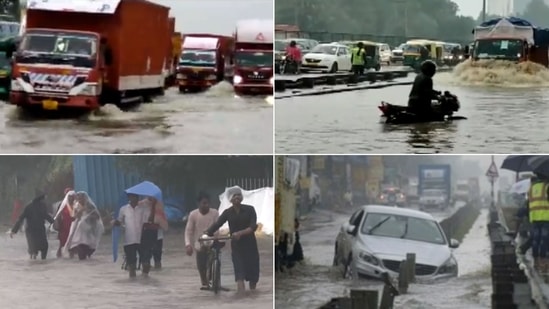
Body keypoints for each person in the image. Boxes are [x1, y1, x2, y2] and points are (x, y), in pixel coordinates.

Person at [205, 187, 260, 295]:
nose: (237, 197)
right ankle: (241, 298)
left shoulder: (250, 209)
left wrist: (240, 233)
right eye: (234, 195)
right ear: (230, 199)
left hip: (250, 246)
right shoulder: (227, 212)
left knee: (253, 275)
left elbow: (253, 227)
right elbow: (217, 224)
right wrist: (207, 233)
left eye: (238, 195)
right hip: (237, 247)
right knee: (239, 274)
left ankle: (253, 298)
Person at [185, 192, 220, 290]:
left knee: (216, 256)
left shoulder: (215, 213)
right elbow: (188, 231)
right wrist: (188, 245)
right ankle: (204, 281)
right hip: (199, 242)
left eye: (208, 203)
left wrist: (216, 236)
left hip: (213, 240)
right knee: (201, 266)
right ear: (199, 203)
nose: (206, 205)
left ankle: (215, 277)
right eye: (204, 203)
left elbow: (218, 227)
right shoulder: (193, 214)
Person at [113, 193, 151, 278]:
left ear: (138, 197)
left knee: (146, 263)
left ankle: (145, 279)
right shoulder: (123, 209)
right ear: (129, 198)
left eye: (136, 196)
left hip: (142, 239)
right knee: (131, 265)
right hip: (129, 240)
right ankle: (133, 281)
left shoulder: (144, 208)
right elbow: (119, 221)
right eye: (132, 196)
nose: (134, 198)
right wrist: (114, 222)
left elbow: (148, 221)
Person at [9, 190, 54, 260]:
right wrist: (14, 230)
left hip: (40, 230)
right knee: (33, 250)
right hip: (31, 232)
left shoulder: (42, 206)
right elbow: (21, 218)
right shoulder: (29, 207)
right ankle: (34, 263)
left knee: (44, 247)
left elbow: (46, 216)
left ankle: (43, 264)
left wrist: (54, 223)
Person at [66, 191, 104, 260]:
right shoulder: (77, 206)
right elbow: (74, 217)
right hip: (79, 231)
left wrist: (88, 217)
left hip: (88, 230)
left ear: (85, 198)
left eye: (81, 198)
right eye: (78, 199)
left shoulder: (90, 206)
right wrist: (80, 212)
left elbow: (97, 216)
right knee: (80, 251)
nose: (80, 200)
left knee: (88, 248)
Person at [528, 174, 549, 272]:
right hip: (545, 217)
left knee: (535, 239)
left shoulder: (532, 188)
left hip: (534, 217)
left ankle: (536, 260)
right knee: (544, 240)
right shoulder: (547, 186)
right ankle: (543, 260)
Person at [143, 196, 168, 270]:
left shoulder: (159, 204)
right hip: (147, 235)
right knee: (146, 258)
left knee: (157, 257)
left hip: (158, 235)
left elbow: (162, 218)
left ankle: (158, 272)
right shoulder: (143, 204)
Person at [54, 188, 76, 258]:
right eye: (69, 196)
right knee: (62, 242)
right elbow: (58, 215)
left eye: (72, 196)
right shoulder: (62, 204)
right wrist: (57, 223)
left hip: (72, 225)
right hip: (63, 226)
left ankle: (71, 256)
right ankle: (59, 255)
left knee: (72, 242)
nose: (70, 198)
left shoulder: (76, 204)